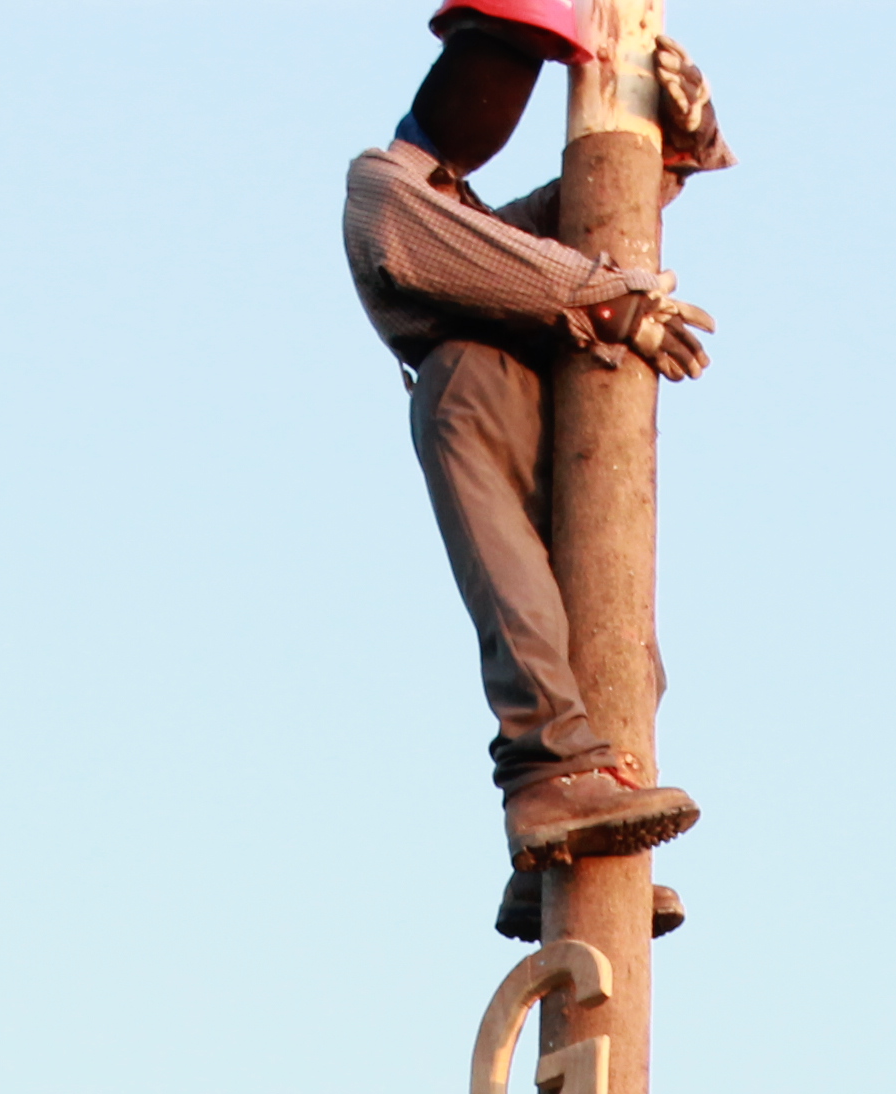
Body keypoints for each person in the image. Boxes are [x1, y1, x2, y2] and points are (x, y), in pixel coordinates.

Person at [343, 0, 732, 941]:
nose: (508, 99)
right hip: (474, 404)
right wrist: (605, 303)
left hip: (548, 429)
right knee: (523, 610)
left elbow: (572, 223)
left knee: (614, 636)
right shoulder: (385, 187)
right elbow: (462, 252)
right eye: (505, 69)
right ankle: (550, 779)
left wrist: (672, 151)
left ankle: (575, 855)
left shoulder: (481, 218)